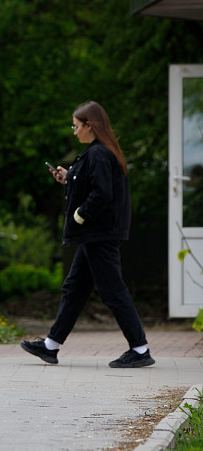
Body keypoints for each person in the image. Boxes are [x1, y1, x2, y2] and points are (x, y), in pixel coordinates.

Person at [20, 101, 154, 368]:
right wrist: (69, 178)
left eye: (76, 125)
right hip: (95, 234)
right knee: (75, 288)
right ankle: (51, 345)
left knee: (113, 290)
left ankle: (139, 350)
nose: (74, 131)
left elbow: (102, 193)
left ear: (89, 125)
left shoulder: (99, 154)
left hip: (99, 233)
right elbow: (93, 183)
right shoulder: (97, 153)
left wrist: (79, 214)